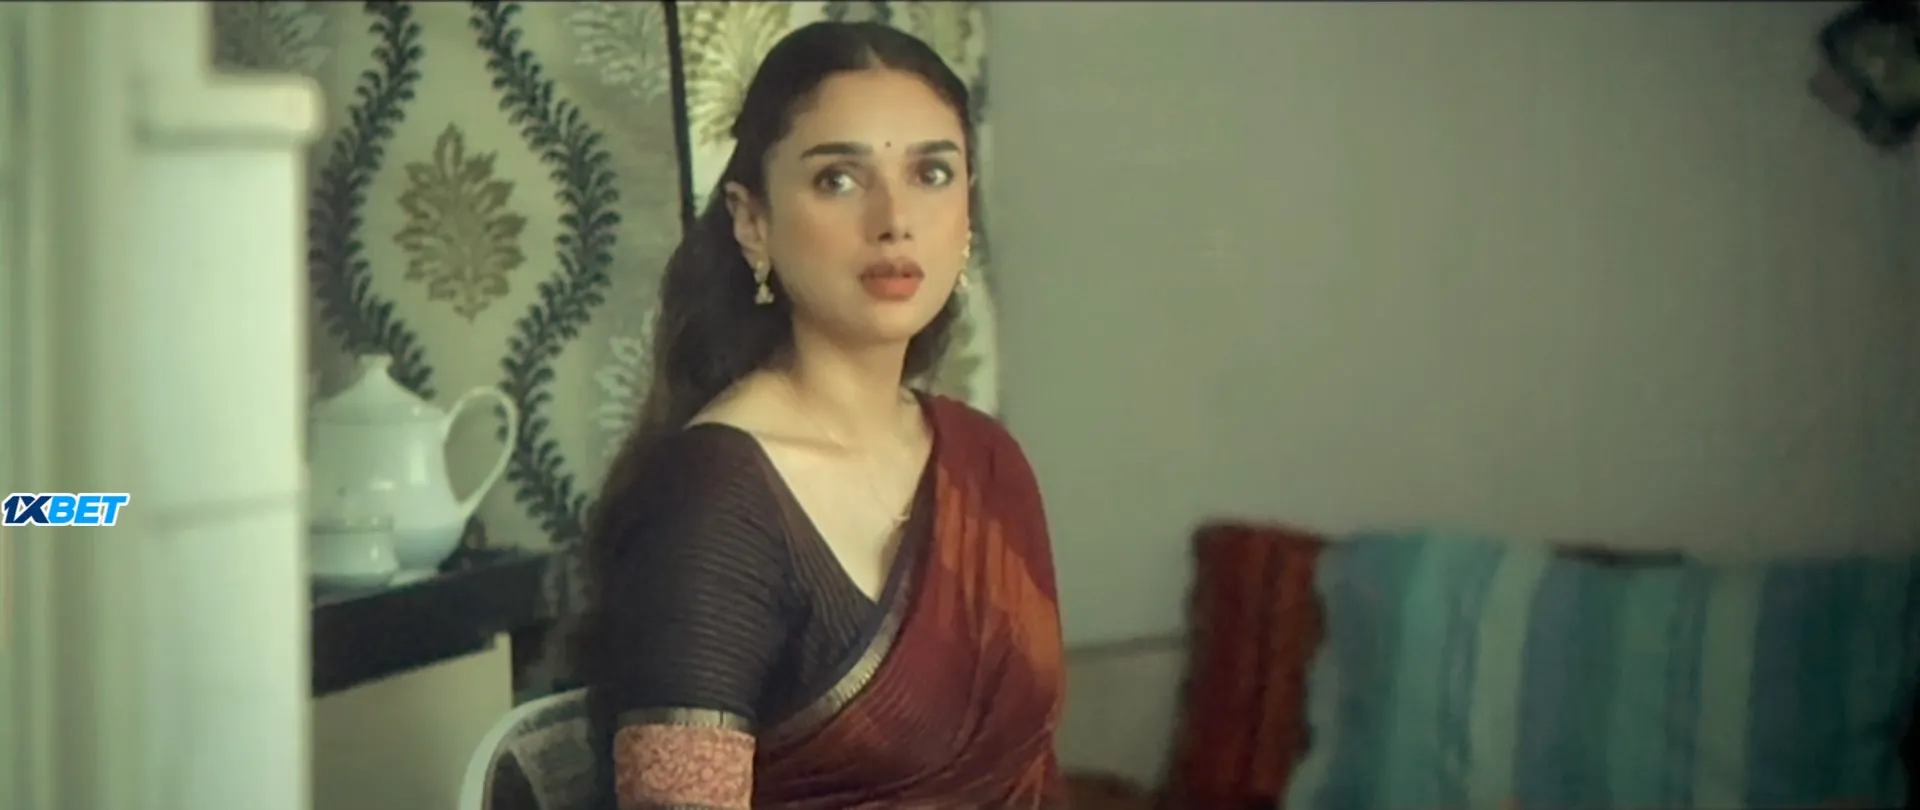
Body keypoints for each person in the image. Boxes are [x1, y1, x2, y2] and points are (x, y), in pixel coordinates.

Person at [574, 20, 1068, 810]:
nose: (894, 219)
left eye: (932, 173)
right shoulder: (713, 499)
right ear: (752, 221)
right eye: (839, 179)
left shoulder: (986, 463)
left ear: (967, 211)